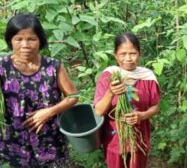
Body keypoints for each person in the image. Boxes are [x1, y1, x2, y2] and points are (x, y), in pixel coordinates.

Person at [0, 13, 78, 167]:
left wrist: (49, 112)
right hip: (14, 143)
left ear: (40, 40)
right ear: (10, 41)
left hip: (51, 141)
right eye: (18, 39)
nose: (25, 45)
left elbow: (73, 96)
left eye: (31, 39)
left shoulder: (53, 66)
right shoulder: (3, 67)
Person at [93, 32, 160, 168]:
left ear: (139, 54)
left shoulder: (148, 77)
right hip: (114, 141)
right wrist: (110, 92)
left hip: (139, 140)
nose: (128, 58)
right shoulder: (109, 76)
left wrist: (142, 115)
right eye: (123, 54)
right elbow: (98, 111)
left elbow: (155, 106)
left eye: (133, 53)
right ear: (115, 55)